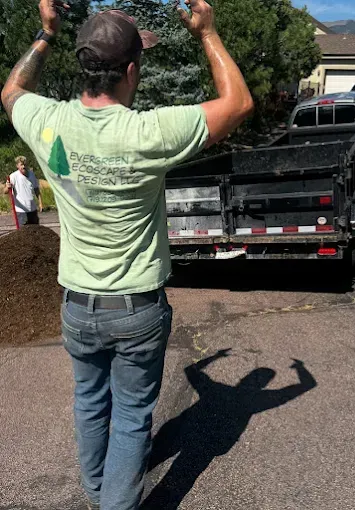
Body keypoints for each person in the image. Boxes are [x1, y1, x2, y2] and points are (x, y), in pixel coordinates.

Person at [0, 0, 253, 508]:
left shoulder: (46, 121)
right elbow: (239, 103)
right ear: (131, 70)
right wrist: (207, 33)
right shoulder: (148, 132)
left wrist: (45, 33)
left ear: (83, 67)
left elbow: (11, 91)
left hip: (76, 306)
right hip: (136, 308)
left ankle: (99, 495)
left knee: (90, 406)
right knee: (133, 415)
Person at [3, 156, 43, 226]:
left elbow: (36, 190)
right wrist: (7, 187)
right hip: (21, 211)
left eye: (25, 164)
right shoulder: (13, 176)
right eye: (21, 165)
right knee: (24, 233)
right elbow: (5, 191)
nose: (23, 166)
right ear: (17, 166)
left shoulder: (31, 174)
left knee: (35, 231)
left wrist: (40, 203)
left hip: (32, 209)